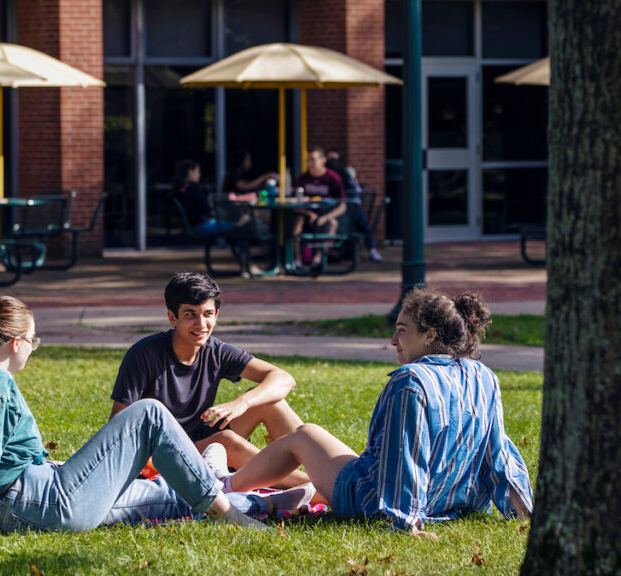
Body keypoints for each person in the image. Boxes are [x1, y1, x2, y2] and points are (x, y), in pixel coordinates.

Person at [0, 294, 312, 541]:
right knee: (150, 413)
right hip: (36, 504)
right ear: (16, 343)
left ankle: (260, 502)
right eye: (33, 342)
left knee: (156, 496)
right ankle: (223, 509)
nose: (33, 350)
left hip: (24, 501)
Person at [223, 289, 534, 537]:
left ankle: (220, 490)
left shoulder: (411, 380)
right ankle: (265, 491)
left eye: (401, 330)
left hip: (376, 504)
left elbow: (405, 460)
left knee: (305, 436)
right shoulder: (483, 377)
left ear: (429, 335)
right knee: (319, 447)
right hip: (455, 503)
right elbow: (499, 453)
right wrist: (524, 512)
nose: (393, 340)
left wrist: (403, 523)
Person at [110, 272, 310, 488]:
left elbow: (284, 379)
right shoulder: (144, 354)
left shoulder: (216, 351)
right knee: (226, 442)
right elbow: (117, 425)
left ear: (216, 314)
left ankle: (322, 469)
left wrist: (241, 403)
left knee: (272, 403)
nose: (201, 324)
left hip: (205, 441)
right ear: (172, 317)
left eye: (207, 314)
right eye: (190, 315)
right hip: (164, 457)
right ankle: (318, 488)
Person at [171, 159, 262, 276]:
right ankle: (246, 266)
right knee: (242, 229)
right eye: (198, 171)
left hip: (198, 224)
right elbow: (207, 208)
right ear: (190, 172)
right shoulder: (192, 188)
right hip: (203, 225)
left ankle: (246, 263)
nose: (199, 174)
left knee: (240, 227)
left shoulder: (179, 188)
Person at [292, 146, 347, 267]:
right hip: (307, 214)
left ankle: (318, 259)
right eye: (308, 160)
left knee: (332, 223)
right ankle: (297, 260)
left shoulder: (333, 178)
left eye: (313, 159)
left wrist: (327, 217)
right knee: (298, 221)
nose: (310, 163)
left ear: (323, 160)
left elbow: (343, 205)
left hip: (326, 215)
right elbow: (294, 204)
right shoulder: (302, 178)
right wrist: (309, 213)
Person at [326, 148, 382, 262]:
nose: (332, 163)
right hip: (343, 210)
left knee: (359, 222)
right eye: (329, 159)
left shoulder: (342, 175)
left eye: (334, 160)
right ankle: (372, 250)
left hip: (349, 209)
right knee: (363, 225)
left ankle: (372, 250)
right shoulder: (335, 175)